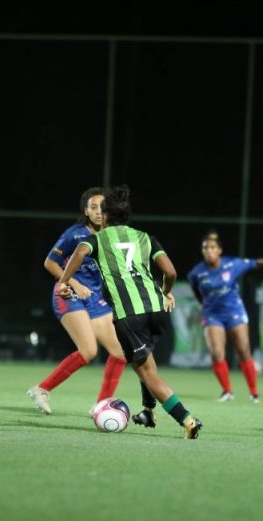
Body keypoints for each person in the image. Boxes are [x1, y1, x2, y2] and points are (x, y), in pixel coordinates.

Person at [57, 184, 202, 439]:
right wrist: (167, 292)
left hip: (129, 314)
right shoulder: (145, 237)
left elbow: (79, 252)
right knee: (144, 360)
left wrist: (64, 281)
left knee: (147, 371)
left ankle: (187, 420)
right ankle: (148, 410)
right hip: (156, 308)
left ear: (106, 216)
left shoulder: (99, 239)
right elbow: (170, 272)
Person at [26, 187, 128, 415]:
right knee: (89, 351)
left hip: (94, 297)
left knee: (120, 353)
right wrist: (73, 282)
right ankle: (42, 389)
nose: (99, 211)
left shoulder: (112, 236)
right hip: (68, 294)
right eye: (93, 207)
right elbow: (50, 263)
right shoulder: (74, 234)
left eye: (103, 207)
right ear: (86, 211)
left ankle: (101, 406)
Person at [187, 232, 263, 402]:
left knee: (243, 350)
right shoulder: (196, 273)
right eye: (205, 248)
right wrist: (204, 304)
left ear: (219, 250)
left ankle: (254, 393)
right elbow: (196, 290)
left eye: (212, 247)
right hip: (212, 314)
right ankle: (227, 392)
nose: (209, 251)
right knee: (217, 353)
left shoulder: (231, 264)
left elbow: (253, 263)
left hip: (234, 312)